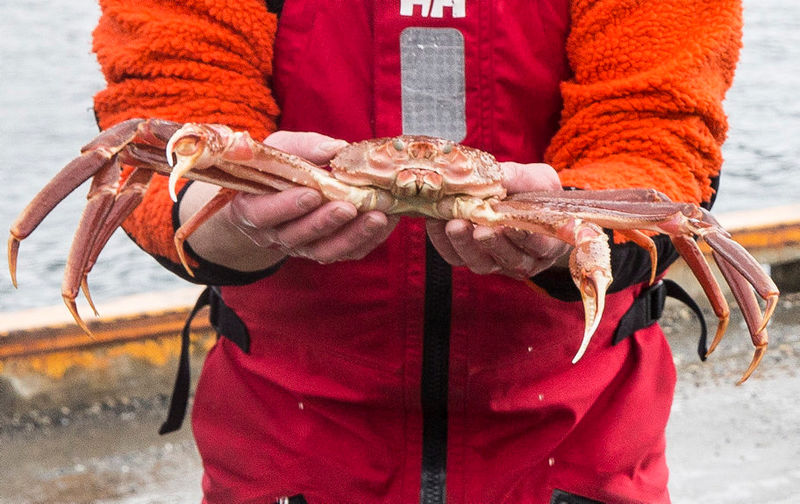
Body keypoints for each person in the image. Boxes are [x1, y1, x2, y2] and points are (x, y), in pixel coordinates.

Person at [91, 0, 742, 502]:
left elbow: (660, 136)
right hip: (285, 443)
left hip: (578, 440)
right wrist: (217, 223)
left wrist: (571, 231)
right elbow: (165, 107)